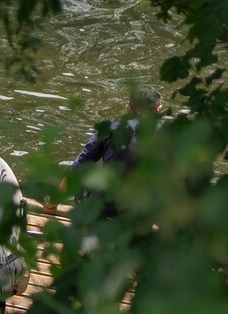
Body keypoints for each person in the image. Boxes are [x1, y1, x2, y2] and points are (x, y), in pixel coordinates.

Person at [45, 88, 164, 218]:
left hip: (103, 209)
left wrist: (52, 204)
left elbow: (79, 168)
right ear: (159, 110)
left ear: (128, 108)